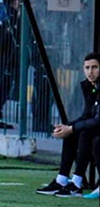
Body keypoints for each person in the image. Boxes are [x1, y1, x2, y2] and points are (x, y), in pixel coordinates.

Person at [36, 53, 100, 198]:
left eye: (94, 67)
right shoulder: (90, 86)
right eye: (87, 68)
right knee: (72, 131)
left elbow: (97, 120)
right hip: (95, 127)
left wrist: (72, 128)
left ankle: (77, 183)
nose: (90, 72)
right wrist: (66, 127)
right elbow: (87, 115)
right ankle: (62, 179)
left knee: (83, 132)